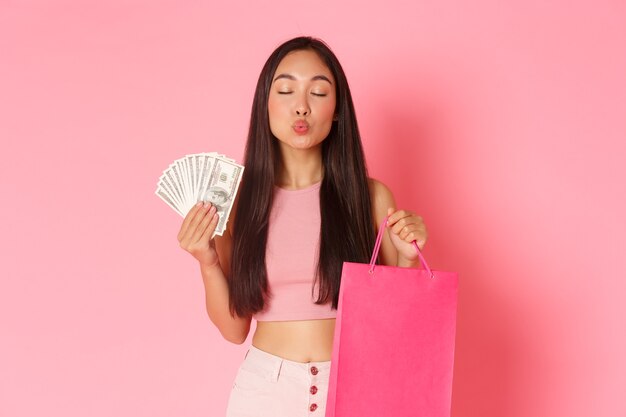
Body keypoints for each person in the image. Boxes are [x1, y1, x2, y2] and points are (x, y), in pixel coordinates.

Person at [177, 36, 428, 417]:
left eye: (318, 92)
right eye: (286, 89)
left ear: (338, 109)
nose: (301, 106)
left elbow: (399, 322)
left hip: (355, 386)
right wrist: (207, 261)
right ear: (266, 105)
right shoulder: (237, 201)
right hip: (264, 392)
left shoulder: (371, 197)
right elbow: (233, 330)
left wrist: (409, 259)